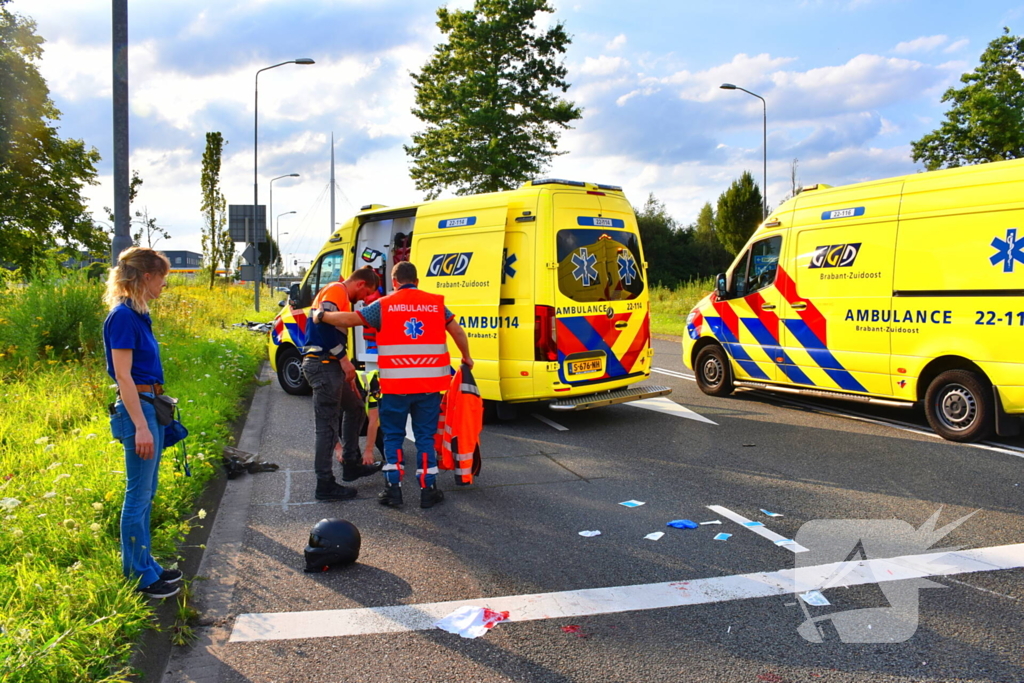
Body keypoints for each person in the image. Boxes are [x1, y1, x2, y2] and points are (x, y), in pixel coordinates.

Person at [314, 261, 473, 509]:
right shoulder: (435, 304)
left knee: (394, 436)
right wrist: (466, 357)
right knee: (424, 437)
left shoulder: (383, 305)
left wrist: (322, 315)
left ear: (394, 282)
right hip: (429, 386)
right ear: (417, 281)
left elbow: (349, 319)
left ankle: (393, 490)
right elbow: (457, 331)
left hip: (396, 385)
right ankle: (428, 489)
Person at [103, 246, 181, 599]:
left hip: (150, 403)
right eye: (162, 276)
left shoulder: (137, 314)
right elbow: (123, 376)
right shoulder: (122, 317)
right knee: (137, 495)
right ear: (147, 276)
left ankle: (146, 565)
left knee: (146, 494)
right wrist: (142, 425)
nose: (165, 283)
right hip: (139, 409)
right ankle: (138, 575)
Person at [303, 267, 382, 500]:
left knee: (356, 406)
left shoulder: (336, 293)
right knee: (327, 427)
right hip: (324, 364)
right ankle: (324, 484)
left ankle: (351, 463)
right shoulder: (337, 290)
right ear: (360, 284)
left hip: (330, 364)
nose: (365, 299)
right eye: (367, 293)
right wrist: (344, 360)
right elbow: (322, 325)